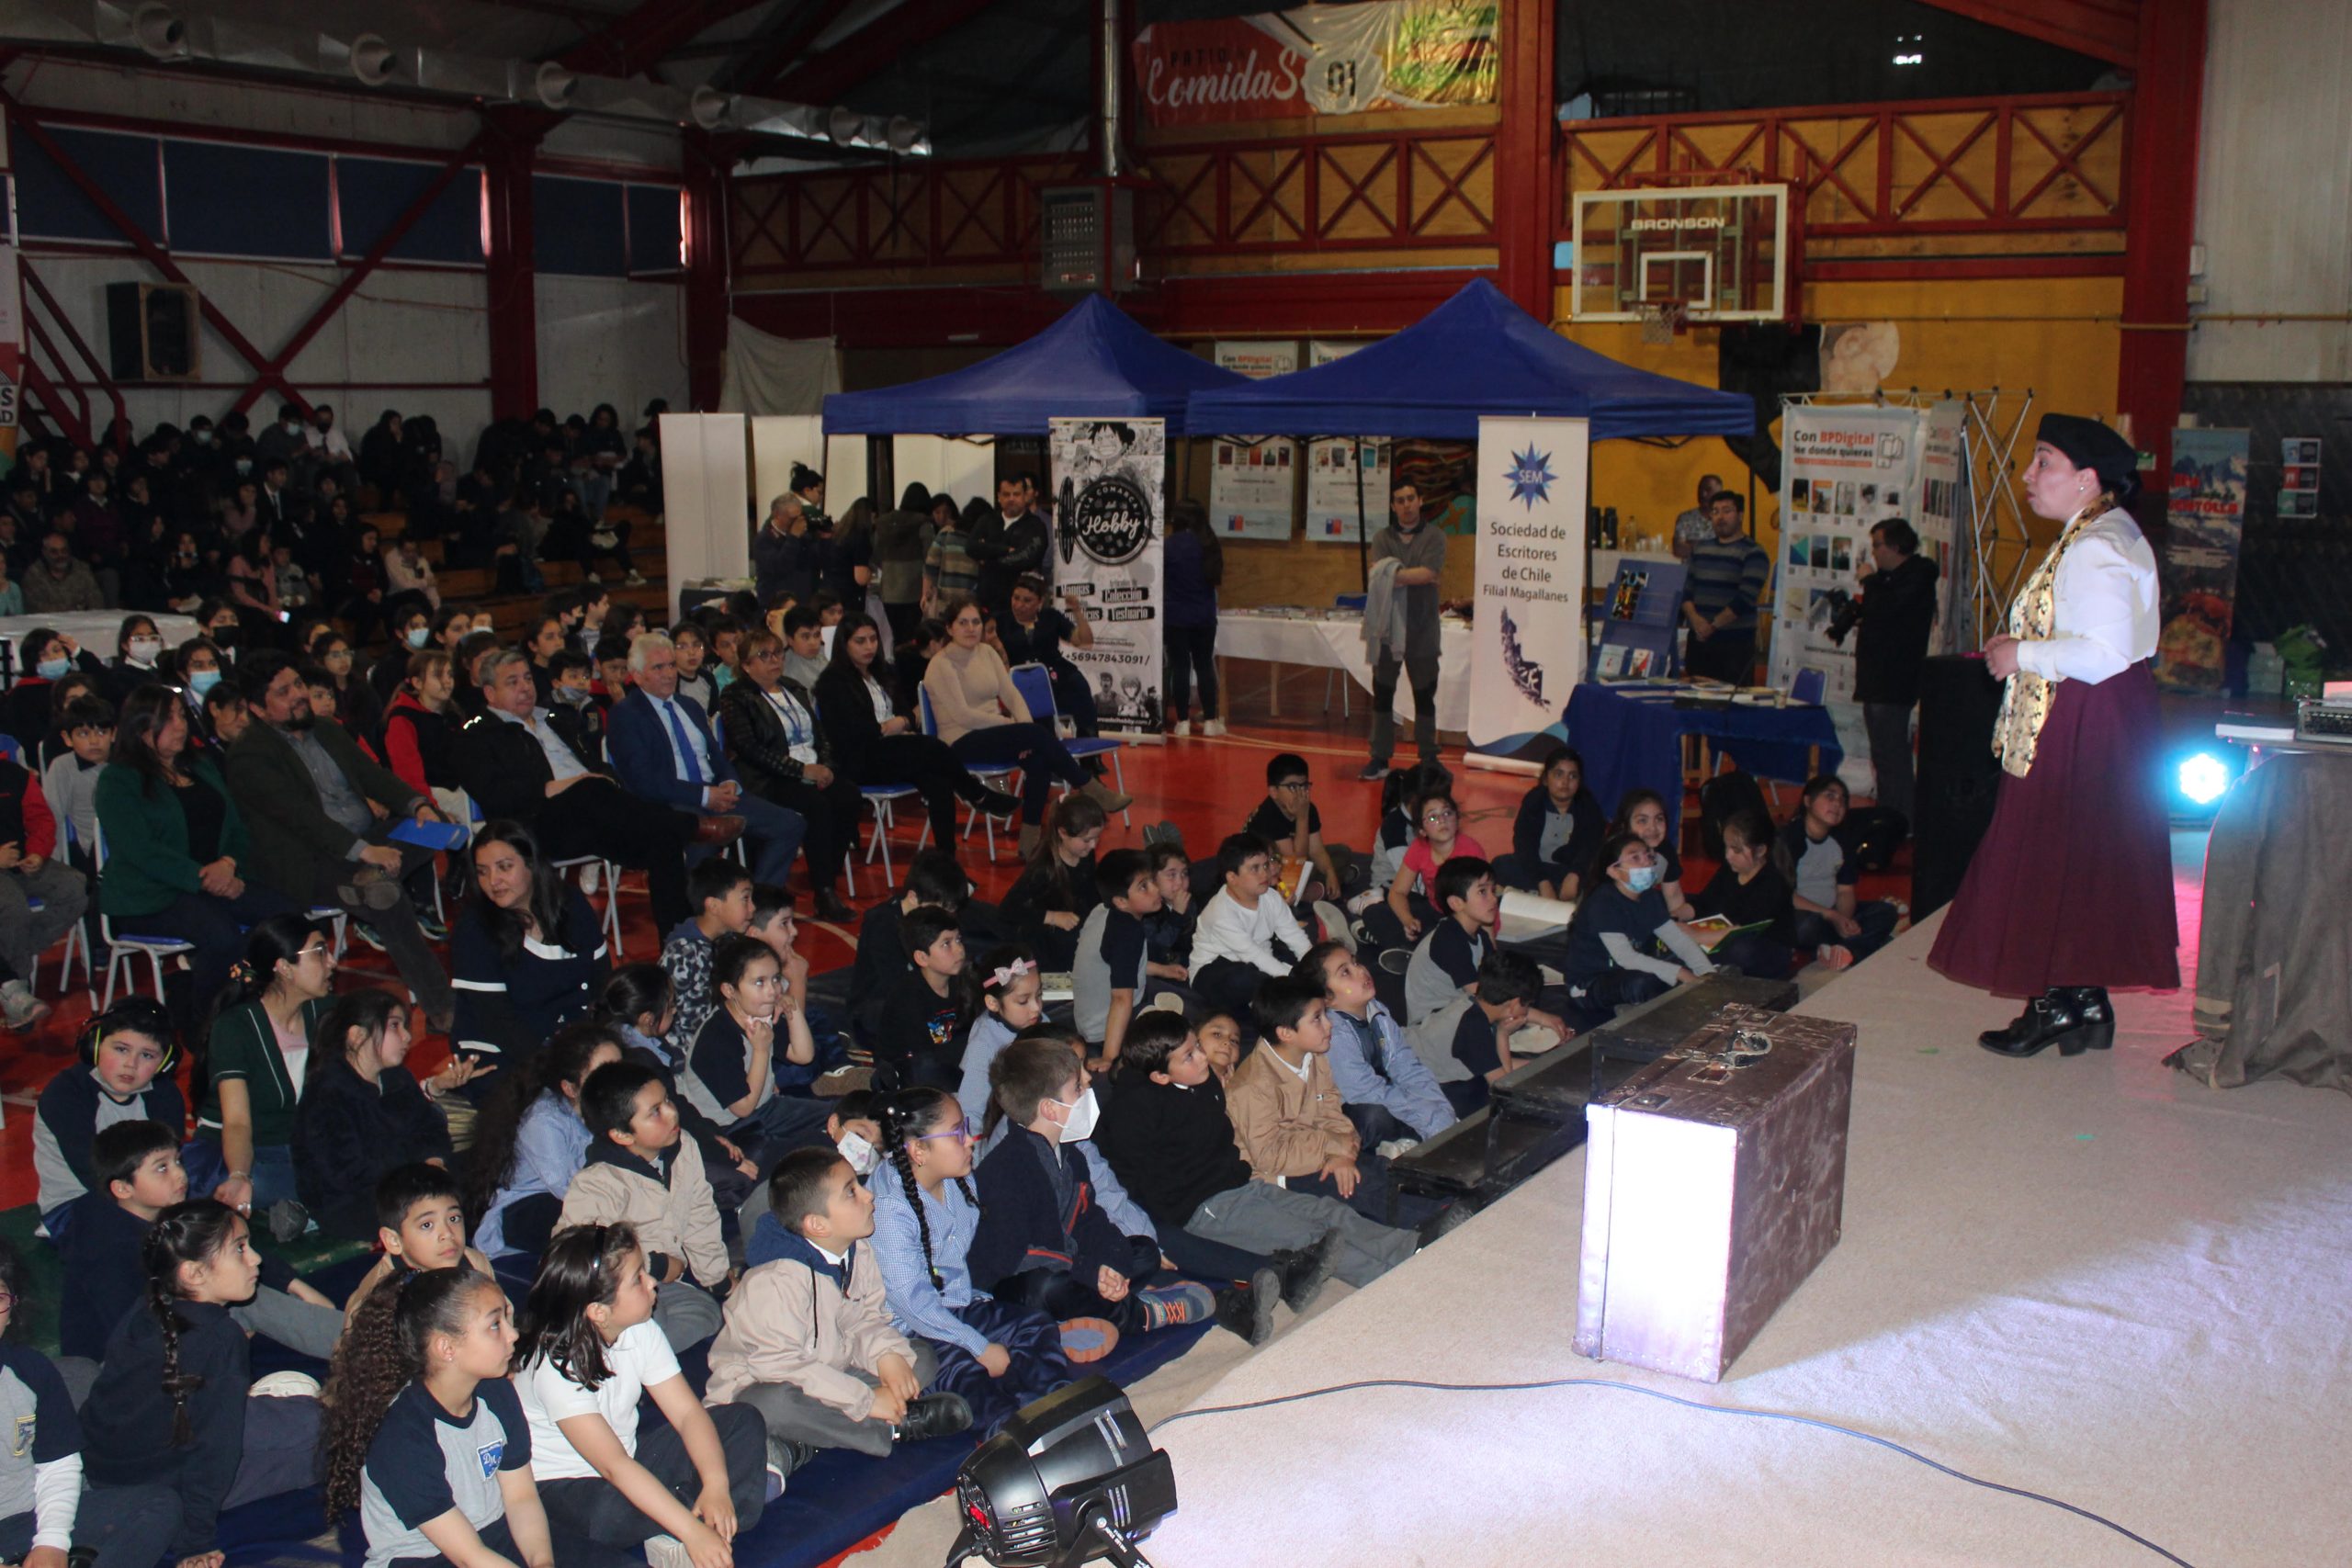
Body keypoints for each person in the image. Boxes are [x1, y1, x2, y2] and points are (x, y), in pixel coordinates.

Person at [1932, 419, 2175, 1055]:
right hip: (2101, 715)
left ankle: (2055, 1003)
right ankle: (2079, 999)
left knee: (2041, 853)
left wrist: (2022, 653)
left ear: (2086, 479)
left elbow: (2102, 652)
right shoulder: (2107, 531)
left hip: (2081, 717)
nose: (2028, 476)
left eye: (2044, 462)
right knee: (2079, 859)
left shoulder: (2095, 545)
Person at [74, 1202, 323, 1568]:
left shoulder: (151, 1302)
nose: (255, 1259)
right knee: (316, 1427)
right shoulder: (220, 1337)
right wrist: (195, 1540)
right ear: (193, 1274)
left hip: (106, 1469)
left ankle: (267, 1403)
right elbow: (214, 1450)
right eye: (240, 1249)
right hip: (165, 1481)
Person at [1092, 1012, 1413, 1292]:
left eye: (1198, 1047)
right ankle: (1384, 1279)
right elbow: (1133, 1178)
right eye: (1189, 1056)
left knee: (1330, 1212)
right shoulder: (1133, 1113)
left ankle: (1408, 1250)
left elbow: (1221, 1143)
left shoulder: (1205, 1083)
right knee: (1308, 1237)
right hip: (1204, 1208)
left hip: (1242, 1185)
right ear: (1161, 1076)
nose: (1203, 1058)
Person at [222, 652, 455, 1030]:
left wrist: (418, 805)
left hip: (365, 842)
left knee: (437, 825)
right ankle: (442, 1008)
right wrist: (365, 851)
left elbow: (373, 775)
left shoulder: (326, 729)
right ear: (257, 708)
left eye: (298, 684)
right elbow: (302, 819)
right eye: (284, 692)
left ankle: (370, 878)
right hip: (311, 860)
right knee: (389, 899)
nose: (299, 695)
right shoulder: (250, 754)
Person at [511, 1225, 767, 1562]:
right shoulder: (555, 1367)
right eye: (638, 1278)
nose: (652, 1282)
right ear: (598, 1312)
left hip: (630, 1460)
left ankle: (698, 1520)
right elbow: (613, 1467)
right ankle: (689, 1525)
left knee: (741, 1418)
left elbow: (688, 1414)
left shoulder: (641, 1328)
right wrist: (692, 1531)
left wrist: (716, 1484)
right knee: (608, 1512)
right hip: (568, 1487)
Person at [710, 1148, 974, 1475]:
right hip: (766, 1384)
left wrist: (885, 1355)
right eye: (852, 1192)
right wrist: (865, 1400)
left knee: (918, 1357)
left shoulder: (857, 1249)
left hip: (833, 1367)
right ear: (818, 1225)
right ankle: (889, 1427)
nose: (868, 1195)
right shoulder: (774, 1282)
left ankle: (803, 1443)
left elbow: (866, 1320)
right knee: (768, 1406)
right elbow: (779, 1365)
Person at [321, 1264, 594, 1568]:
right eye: (495, 1325)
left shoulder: (496, 1392)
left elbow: (521, 1498)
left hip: (492, 1533)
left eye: (507, 1318)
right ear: (446, 1348)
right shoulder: (402, 1437)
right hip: (422, 1556)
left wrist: (542, 1562)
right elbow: (468, 1556)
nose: (513, 1334)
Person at [972, 1039, 1221, 1354]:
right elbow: (1020, 1255)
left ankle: (1075, 1319)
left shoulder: (1070, 1154)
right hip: (1013, 1282)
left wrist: (1112, 1262)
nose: (1088, 1086)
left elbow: (1091, 1220)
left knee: (1144, 1251)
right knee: (1047, 1288)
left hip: (1071, 1263)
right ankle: (1142, 1314)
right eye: (1077, 1087)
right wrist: (1090, 1271)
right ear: (1049, 1109)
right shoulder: (1006, 1169)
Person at [870, 1087, 1074, 1436]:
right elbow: (913, 1304)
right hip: (908, 1331)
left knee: (1035, 1326)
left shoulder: (957, 1180)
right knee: (965, 1373)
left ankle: (1054, 1411)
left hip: (957, 1306)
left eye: (965, 1127)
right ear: (919, 1150)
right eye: (957, 1133)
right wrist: (979, 1347)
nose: (970, 1139)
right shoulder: (890, 1207)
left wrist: (982, 1328)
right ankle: (1015, 1435)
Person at [454, 649, 700, 936]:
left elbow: (600, 767)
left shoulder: (557, 719)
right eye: (512, 682)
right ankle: (688, 823)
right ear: (490, 693)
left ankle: (678, 944)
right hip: (534, 826)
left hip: (593, 818)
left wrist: (603, 780)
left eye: (527, 679)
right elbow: (494, 794)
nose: (525, 688)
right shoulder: (475, 737)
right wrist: (549, 789)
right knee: (592, 789)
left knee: (663, 840)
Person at [608, 632, 806, 892]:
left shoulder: (689, 706)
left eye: (671, 665)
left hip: (716, 794)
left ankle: (761, 901)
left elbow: (716, 755)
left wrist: (730, 782)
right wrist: (703, 796)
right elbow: (644, 781)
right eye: (658, 668)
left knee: (790, 824)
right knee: (705, 836)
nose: (669, 674)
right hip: (671, 801)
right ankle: (697, 915)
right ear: (637, 675)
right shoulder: (626, 715)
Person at [922, 595, 1124, 850]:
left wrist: (1025, 730)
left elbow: (1012, 694)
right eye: (963, 623)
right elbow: (963, 715)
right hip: (960, 740)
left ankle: (1029, 838)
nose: (971, 628)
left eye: (976, 622)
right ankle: (1088, 785)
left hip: (995, 733)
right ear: (950, 628)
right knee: (1036, 738)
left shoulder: (986, 652)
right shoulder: (941, 664)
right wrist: (1011, 726)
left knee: (1038, 759)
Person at [558, 1063, 729, 1354]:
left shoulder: (683, 1146)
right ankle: (615, 1355)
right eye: (655, 1112)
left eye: (666, 1101)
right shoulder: (598, 1183)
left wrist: (718, 1280)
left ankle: (637, 1355)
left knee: (710, 1314)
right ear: (623, 1135)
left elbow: (701, 1215)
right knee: (643, 1320)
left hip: (660, 1286)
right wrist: (657, 1265)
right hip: (613, 1295)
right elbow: (585, 1258)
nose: (672, 1112)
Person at [185, 915, 336, 1225]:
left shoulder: (324, 1012)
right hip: (237, 1150)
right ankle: (291, 1205)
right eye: (320, 952)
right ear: (284, 967)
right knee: (262, 1182)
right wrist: (240, 1175)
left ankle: (293, 1209)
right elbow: (237, 1122)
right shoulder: (236, 1027)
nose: (332, 962)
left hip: (292, 1149)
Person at [814, 611, 1021, 836]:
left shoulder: (882, 673)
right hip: (860, 759)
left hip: (894, 751)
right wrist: (886, 728)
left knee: (939, 782)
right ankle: (977, 794)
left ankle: (946, 858)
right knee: (932, 746)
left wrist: (902, 722)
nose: (869, 647)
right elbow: (849, 731)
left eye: (873, 639)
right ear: (844, 644)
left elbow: (909, 712)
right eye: (860, 641)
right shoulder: (832, 681)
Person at [292, 990, 464, 1242]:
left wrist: (434, 1160)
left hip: (406, 1184)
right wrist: (416, 1171)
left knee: (477, 1175)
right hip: (350, 1204)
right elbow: (348, 1173)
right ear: (357, 1036)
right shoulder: (328, 1093)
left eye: (404, 1026)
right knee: (431, 1212)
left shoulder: (397, 1078)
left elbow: (431, 1127)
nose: (407, 1036)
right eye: (395, 1026)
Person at [450, 822, 611, 1081]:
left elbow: (602, 982)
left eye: (504, 867)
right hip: (503, 1056)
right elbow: (499, 1023)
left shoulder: (571, 904)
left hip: (569, 1044)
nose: (493, 881)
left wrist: (600, 1042)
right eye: (482, 872)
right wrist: (560, 1071)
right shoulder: (474, 929)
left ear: (532, 864)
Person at [719, 628, 859, 923]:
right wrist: (800, 770)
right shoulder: (736, 695)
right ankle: (824, 891)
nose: (774, 661)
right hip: (769, 777)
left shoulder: (794, 688)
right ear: (746, 665)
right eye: (763, 655)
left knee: (848, 797)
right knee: (816, 807)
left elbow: (821, 735)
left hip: (811, 769)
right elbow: (750, 749)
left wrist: (827, 767)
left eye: (777, 654)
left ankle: (826, 872)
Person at [33, 998, 187, 1237]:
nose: (131, 1064)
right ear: (95, 1046)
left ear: (164, 1064)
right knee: (136, 1236)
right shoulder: (66, 1093)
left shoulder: (165, 1095)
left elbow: (170, 1161)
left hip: (150, 1194)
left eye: (147, 1055)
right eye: (121, 1049)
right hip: (78, 1202)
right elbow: (94, 1174)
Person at [470, 1027, 626, 1259]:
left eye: (620, 1070)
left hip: (582, 1192)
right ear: (570, 1088)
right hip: (529, 1205)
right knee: (589, 1225)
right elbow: (567, 1187)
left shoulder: (614, 1105)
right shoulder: (544, 1120)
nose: (617, 1082)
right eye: (603, 1075)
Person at [1298, 941, 1463, 1143]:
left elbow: (1406, 1065)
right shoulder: (1334, 1034)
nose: (1360, 971)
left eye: (1355, 963)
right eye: (1345, 973)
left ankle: (1414, 1136)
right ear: (1327, 999)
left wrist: (1438, 1107)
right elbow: (1364, 1091)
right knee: (1375, 1117)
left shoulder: (1377, 1010)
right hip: (1348, 1106)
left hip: (1381, 1090)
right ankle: (1393, 1147)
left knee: (1439, 1099)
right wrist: (1427, 1117)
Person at [682, 932, 827, 1157]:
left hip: (765, 1108)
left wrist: (793, 1009)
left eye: (776, 979)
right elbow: (743, 1108)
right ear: (729, 990)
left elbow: (804, 1055)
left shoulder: (760, 1011)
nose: (773, 990)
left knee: (840, 1115)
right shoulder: (716, 1037)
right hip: (728, 1129)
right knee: (809, 1152)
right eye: (759, 982)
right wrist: (760, 1049)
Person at [1558, 831, 1716, 1026]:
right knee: (1646, 981)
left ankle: (1633, 1008)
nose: (1646, 862)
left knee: (1681, 965)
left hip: (1625, 971)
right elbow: (1626, 958)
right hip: (1590, 984)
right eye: (1635, 857)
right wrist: (1682, 974)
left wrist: (1708, 976)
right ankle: (1631, 1008)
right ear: (1615, 871)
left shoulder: (1649, 897)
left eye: (1648, 856)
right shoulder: (1603, 902)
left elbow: (1679, 941)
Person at [0, 1237, 92, 1568]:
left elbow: (58, 1463)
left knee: (155, 1507)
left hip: (26, 1516)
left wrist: (52, 1541)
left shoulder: (30, 1369)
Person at [1845, 516, 1941, 822]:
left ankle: (1903, 818)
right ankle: (1889, 814)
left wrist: (1870, 581)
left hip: (1895, 680)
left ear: (1896, 546)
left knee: (1893, 754)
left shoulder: (1918, 575)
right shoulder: (1891, 579)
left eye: (1878, 546)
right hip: (1876, 678)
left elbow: (1890, 611)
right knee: (1882, 753)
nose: (1874, 553)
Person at [1360, 480, 1446, 781]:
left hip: (1422, 632)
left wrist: (1395, 574)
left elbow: (1429, 572)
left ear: (1420, 500)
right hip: (1387, 631)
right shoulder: (1382, 537)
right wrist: (1415, 576)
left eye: (1411, 498)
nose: (1406, 505)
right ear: (1393, 506)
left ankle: (1429, 757)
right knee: (1383, 694)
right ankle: (1380, 757)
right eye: (1400, 500)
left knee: (1425, 695)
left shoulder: (1435, 536)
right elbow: (1377, 572)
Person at [340, 1163, 495, 1328]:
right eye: (427, 1225)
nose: (448, 1233)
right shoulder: (379, 1301)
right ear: (394, 1241)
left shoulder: (476, 1264)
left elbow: (500, 1319)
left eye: (454, 1218)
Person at [1073, 850, 1187, 1072]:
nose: (1155, 890)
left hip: (1090, 1017)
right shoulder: (1127, 932)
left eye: (1152, 881)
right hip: (1104, 1027)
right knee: (1183, 1019)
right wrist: (1110, 1058)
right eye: (1143, 886)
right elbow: (1120, 999)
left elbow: (1116, 963)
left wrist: (1162, 970)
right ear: (1122, 901)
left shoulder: (1103, 911)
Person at [0, 734, 86, 1016]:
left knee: (74, 886)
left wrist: (37, 853)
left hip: (24, 862)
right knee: (13, 909)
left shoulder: (15, 776)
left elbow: (41, 820)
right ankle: (18, 988)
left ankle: (13, 962)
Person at [1776, 776, 1901, 969]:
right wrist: (1832, 916)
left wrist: (1844, 919)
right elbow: (1783, 896)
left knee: (1885, 912)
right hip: (1803, 914)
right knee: (1805, 928)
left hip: (1832, 913)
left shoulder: (1843, 840)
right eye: (1830, 797)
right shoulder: (1789, 839)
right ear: (1808, 801)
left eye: (1843, 800)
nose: (1837, 804)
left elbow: (1845, 891)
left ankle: (1845, 950)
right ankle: (1857, 947)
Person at [1188, 834, 1313, 1018]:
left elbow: (1294, 935)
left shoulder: (1271, 897)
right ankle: (1269, 998)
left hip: (1258, 958)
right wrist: (1293, 977)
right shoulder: (1220, 913)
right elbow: (1252, 954)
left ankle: (1269, 994)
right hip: (1214, 969)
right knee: (1244, 978)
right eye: (1254, 868)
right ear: (1232, 877)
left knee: (1298, 956)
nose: (1265, 873)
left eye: (1265, 865)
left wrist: (1315, 966)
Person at [999, 794, 1106, 971]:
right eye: (1087, 840)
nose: (1093, 845)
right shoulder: (1043, 867)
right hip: (1045, 934)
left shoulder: (1084, 854)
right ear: (1063, 833)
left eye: (1097, 838)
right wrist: (1052, 917)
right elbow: (1008, 910)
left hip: (1073, 922)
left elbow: (1088, 893)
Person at [1689, 806, 1796, 979]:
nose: (1728, 855)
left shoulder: (1773, 882)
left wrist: (1696, 936)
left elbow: (1743, 929)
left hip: (1764, 947)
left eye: (1736, 850)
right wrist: (1678, 915)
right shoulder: (1728, 871)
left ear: (1760, 851)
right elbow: (1703, 901)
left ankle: (1715, 969)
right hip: (1724, 934)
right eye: (1727, 848)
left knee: (1740, 949)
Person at [1680, 491, 1772, 684]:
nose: (1720, 517)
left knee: (1732, 705)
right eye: (1715, 511)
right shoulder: (1700, 549)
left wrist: (1712, 626)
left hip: (1734, 643)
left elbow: (1745, 599)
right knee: (1693, 700)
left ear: (1740, 515)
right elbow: (1686, 590)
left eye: (1727, 511)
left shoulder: (1754, 553)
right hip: (1699, 640)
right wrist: (1696, 621)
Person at [1494, 745, 1606, 902]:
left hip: (1568, 871)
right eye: (1558, 774)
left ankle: (1529, 894)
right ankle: (1541, 893)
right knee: (1501, 864)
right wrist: (1543, 883)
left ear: (1580, 781)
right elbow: (1524, 847)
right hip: (1536, 869)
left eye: (1573, 776)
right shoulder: (1534, 802)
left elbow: (1591, 848)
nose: (1565, 782)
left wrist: (1574, 875)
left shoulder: (1588, 807)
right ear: (1546, 779)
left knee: (1599, 877)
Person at [875, 907, 968, 1091]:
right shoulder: (907, 996)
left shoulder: (963, 982)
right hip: (909, 1075)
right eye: (946, 944)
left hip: (946, 1064)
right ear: (922, 958)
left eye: (958, 939)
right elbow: (922, 1057)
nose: (959, 949)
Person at [1384, 787, 1487, 947]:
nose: (1442, 820)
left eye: (1447, 813)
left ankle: (1417, 950)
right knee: (1375, 913)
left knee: (1445, 938)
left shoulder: (1471, 851)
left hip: (1465, 918)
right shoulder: (1419, 847)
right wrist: (1408, 921)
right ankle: (1417, 949)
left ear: (1457, 819)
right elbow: (1397, 892)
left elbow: (1480, 904)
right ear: (1422, 830)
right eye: (1432, 817)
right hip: (1434, 911)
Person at [999, 574, 1098, 736]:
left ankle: (1091, 757)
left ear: (1040, 603)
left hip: (1058, 676)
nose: (1019, 605)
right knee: (1040, 719)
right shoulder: (1001, 621)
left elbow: (1085, 642)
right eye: (1016, 598)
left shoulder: (1051, 617)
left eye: (1027, 600)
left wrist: (1077, 611)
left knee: (1079, 687)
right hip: (1024, 682)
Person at [1161, 497, 1224, 737]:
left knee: (1180, 667)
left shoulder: (1170, 545)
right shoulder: (1209, 543)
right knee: (1204, 665)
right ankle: (1210, 721)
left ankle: (1182, 722)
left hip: (1176, 616)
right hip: (1204, 616)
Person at [379, 649, 466, 819]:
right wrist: (428, 806)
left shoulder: (453, 715)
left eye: (449, 674)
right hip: (429, 792)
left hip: (458, 786)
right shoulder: (403, 718)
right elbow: (407, 771)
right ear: (418, 683)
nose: (447, 681)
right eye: (437, 676)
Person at [965, 475, 1048, 623]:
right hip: (986, 602)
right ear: (998, 497)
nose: (1011, 499)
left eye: (1016, 494)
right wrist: (1003, 550)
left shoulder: (1035, 526)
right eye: (1006, 494)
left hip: (1021, 606)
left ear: (1025, 496)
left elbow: (1026, 558)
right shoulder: (987, 520)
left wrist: (987, 555)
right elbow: (970, 547)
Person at [1610, 787, 1694, 919]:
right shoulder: (1614, 853)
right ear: (1625, 826)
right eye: (1642, 820)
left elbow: (1674, 896)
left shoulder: (1665, 850)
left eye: (1659, 819)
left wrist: (1678, 925)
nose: (1653, 828)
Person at [874, 482, 934, 646]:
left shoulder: (883, 523)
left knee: (895, 635)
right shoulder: (924, 523)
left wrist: (887, 566)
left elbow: (876, 552)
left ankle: (897, 664)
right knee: (912, 635)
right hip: (914, 588)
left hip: (889, 588)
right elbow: (930, 556)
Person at [20, 533, 101, 614]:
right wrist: (76, 609)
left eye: (64, 551)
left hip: (83, 622)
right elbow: (35, 608)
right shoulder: (33, 574)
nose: (60, 555)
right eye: (54, 552)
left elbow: (96, 602)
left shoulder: (82, 570)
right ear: (44, 552)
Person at [1671, 473, 1724, 562]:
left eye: (1708, 490)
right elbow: (1678, 550)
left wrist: (1692, 544)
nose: (1703, 494)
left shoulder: (1726, 520)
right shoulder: (1685, 519)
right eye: (1700, 490)